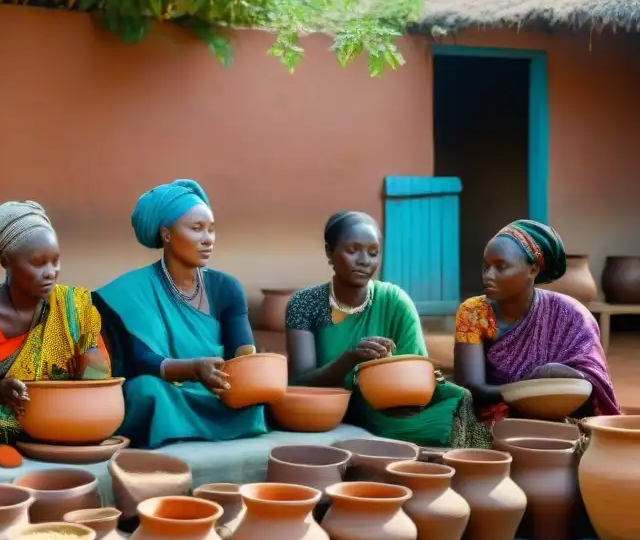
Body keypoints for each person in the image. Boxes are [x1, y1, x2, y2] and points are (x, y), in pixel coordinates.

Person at [285, 211, 490, 448]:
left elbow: (417, 371)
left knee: (458, 398)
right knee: (413, 422)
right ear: (330, 252)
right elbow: (300, 383)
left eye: (373, 253)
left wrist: (389, 370)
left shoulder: (394, 301)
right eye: (353, 250)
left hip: (391, 400)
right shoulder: (305, 304)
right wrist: (350, 359)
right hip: (332, 404)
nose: (364, 260)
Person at [93, 179, 267, 449]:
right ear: (167, 234)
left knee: (255, 402)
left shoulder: (226, 287)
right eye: (196, 229)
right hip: (170, 391)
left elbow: (241, 352)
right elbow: (141, 358)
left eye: (211, 229)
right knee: (144, 392)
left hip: (217, 392)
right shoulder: (134, 290)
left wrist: (251, 366)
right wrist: (192, 369)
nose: (207, 239)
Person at [0, 201, 110, 454]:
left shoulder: (73, 308)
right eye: (38, 263)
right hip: (7, 419)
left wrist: (88, 370)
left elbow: (98, 381)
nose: (51, 273)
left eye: (56, 261)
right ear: (6, 262)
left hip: (67, 414)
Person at [453, 219, 619, 426]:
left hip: (563, 414)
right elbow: (470, 388)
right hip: (496, 416)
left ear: (533, 270)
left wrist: (560, 376)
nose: (488, 276)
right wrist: (531, 387)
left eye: (501, 267)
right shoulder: (474, 312)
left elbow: (592, 388)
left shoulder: (571, 315)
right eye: (485, 267)